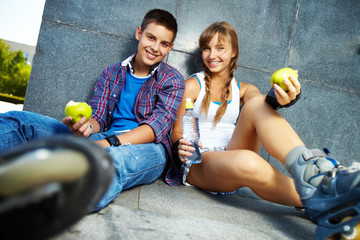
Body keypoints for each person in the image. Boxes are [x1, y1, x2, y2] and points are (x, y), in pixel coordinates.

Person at [0, 9, 184, 239]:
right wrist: (84, 128)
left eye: (164, 43)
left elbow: (157, 127)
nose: (156, 48)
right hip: (104, 137)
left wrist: (108, 143)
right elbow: (98, 117)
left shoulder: (172, 79)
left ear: (171, 47)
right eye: (151, 38)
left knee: (109, 161)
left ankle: (42, 212)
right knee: (23, 121)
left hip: (150, 150)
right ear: (139, 33)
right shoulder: (112, 73)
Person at [171, 22, 360, 238]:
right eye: (207, 48)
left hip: (231, 157)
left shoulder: (244, 89)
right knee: (247, 160)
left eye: (220, 48)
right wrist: (180, 145)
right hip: (200, 164)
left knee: (257, 104)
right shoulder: (193, 85)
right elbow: (176, 132)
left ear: (234, 52)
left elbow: (263, 104)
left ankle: (319, 179)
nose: (212, 54)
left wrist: (283, 96)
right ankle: (325, 195)